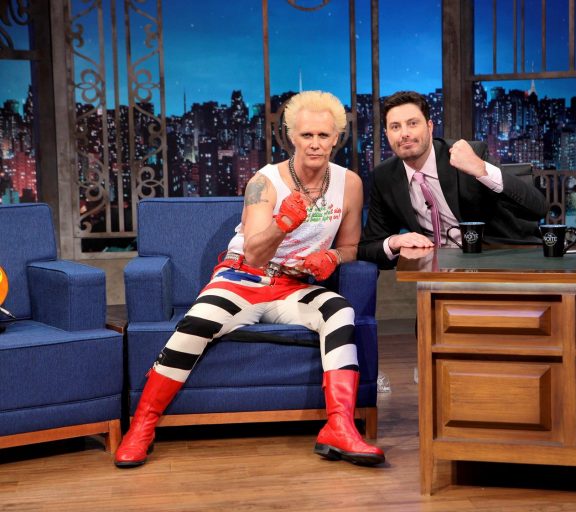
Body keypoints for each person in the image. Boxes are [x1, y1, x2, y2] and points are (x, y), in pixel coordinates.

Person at [114, 91, 384, 468]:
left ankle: (340, 427)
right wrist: (282, 223)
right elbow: (255, 253)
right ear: (291, 136)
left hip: (294, 287)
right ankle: (142, 426)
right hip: (243, 277)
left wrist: (333, 257)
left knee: (340, 312)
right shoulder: (264, 181)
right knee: (197, 323)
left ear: (336, 138)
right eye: (306, 135)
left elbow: (351, 246)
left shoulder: (349, 183)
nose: (315, 143)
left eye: (323, 135)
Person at [357, 90, 549, 269]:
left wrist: (481, 169)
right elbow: (367, 247)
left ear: (430, 127)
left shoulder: (469, 154)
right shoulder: (385, 176)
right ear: (387, 134)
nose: (404, 133)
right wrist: (394, 241)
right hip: (436, 270)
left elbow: (538, 207)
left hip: (499, 260)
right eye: (395, 127)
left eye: (413, 123)